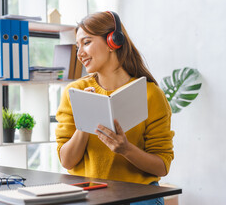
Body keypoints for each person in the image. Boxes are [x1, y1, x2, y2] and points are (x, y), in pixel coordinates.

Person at [55, 11, 174, 205]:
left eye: (86, 43)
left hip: (137, 196)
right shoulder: (75, 92)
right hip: (88, 195)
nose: (80, 54)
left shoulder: (150, 94)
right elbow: (67, 161)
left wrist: (126, 149)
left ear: (113, 42)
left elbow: (161, 167)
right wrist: (85, 122)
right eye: (78, 46)